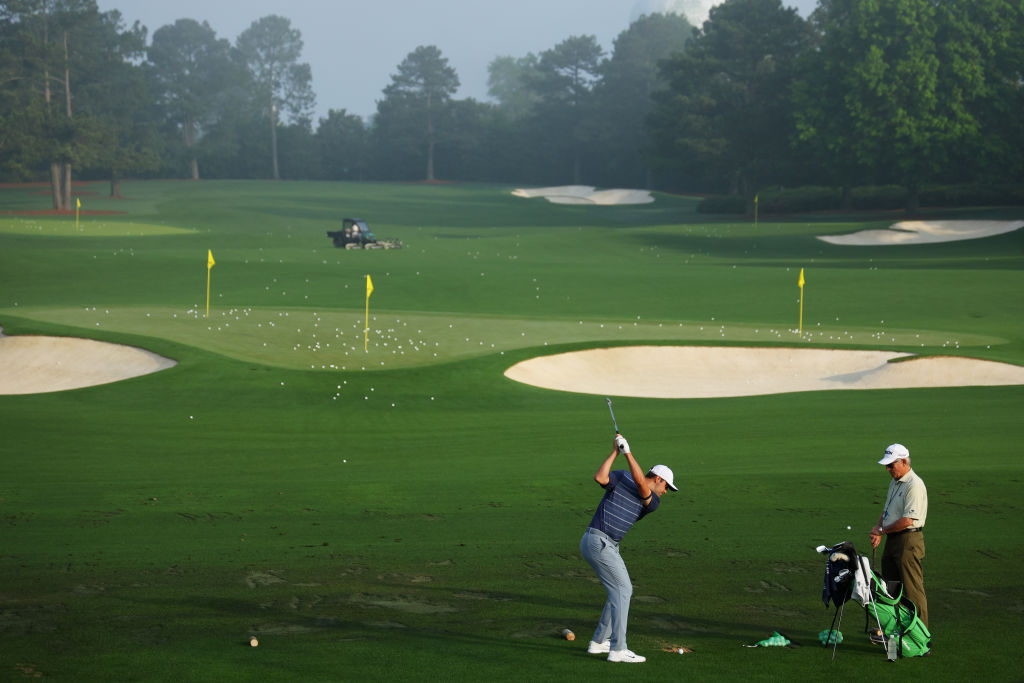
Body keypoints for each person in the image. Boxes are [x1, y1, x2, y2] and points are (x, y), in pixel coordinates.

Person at [579, 433, 677, 663]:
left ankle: (599, 642)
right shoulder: (622, 477)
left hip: (608, 546)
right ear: (659, 479)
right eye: (666, 487)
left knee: (619, 591)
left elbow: (642, 484)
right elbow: (600, 477)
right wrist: (615, 451)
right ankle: (618, 649)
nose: (665, 492)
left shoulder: (652, 502)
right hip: (598, 541)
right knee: (624, 590)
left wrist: (628, 452)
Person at [870, 443, 929, 628]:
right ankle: (895, 628)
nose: (888, 469)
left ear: (904, 462)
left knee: (912, 590)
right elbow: (887, 510)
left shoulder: (914, 485)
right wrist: (878, 527)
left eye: (891, 465)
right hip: (893, 539)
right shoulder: (895, 482)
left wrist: (882, 531)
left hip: (908, 540)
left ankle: (920, 634)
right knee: (890, 588)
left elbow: (908, 520)